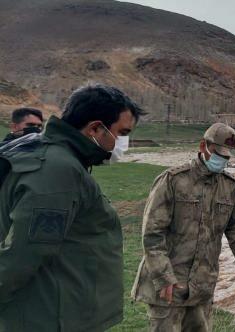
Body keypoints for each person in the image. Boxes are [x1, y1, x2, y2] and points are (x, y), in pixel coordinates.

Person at [0, 84, 143, 331]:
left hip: (56, 307)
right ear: (95, 128)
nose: (123, 143)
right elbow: (25, 253)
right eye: (122, 133)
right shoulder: (58, 171)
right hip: (50, 317)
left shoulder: (54, 155)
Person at [132, 123, 235, 332]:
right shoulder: (172, 180)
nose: (222, 160)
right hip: (168, 288)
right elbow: (152, 233)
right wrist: (163, 276)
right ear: (203, 146)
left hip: (202, 288)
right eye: (218, 154)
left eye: (227, 157)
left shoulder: (231, 187)